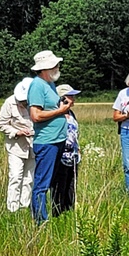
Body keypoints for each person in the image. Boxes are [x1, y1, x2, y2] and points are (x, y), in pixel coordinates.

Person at [27, 50, 75, 224]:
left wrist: (62, 106)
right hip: (47, 141)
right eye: (56, 65)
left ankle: (54, 212)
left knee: (53, 180)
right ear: (46, 68)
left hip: (57, 140)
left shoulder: (50, 84)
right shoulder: (37, 85)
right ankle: (40, 221)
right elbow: (36, 115)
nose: (58, 67)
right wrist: (61, 111)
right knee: (42, 183)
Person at [0, 77, 35, 213]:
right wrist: (17, 132)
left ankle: (24, 206)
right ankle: (12, 208)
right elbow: (2, 125)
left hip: (34, 146)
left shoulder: (38, 102)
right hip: (16, 147)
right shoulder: (9, 103)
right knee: (15, 176)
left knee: (29, 178)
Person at [50, 84, 82, 216]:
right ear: (62, 98)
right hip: (60, 156)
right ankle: (57, 213)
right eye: (70, 96)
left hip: (73, 156)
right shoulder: (55, 113)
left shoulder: (71, 113)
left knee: (71, 186)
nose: (74, 98)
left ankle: (69, 212)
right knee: (59, 186)